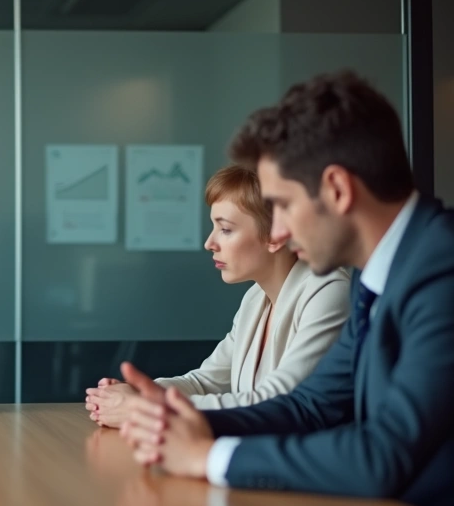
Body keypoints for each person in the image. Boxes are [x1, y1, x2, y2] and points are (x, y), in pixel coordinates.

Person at [117, 70, 454, 506]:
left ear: (336, 189)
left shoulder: (442, 269)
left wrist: (207, 457)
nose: (276, 232)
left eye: (283, 205)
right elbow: (309, 405)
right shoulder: (383, 275)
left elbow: (382, 454)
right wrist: (175, 422)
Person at [84, 165, 349, 427]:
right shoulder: (255, 299)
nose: (209, 243)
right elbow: (204, 382)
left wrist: (147, 408)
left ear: (275, 235)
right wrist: (138, 392)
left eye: (225, 229)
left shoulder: (328, 292)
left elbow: (277, 402)